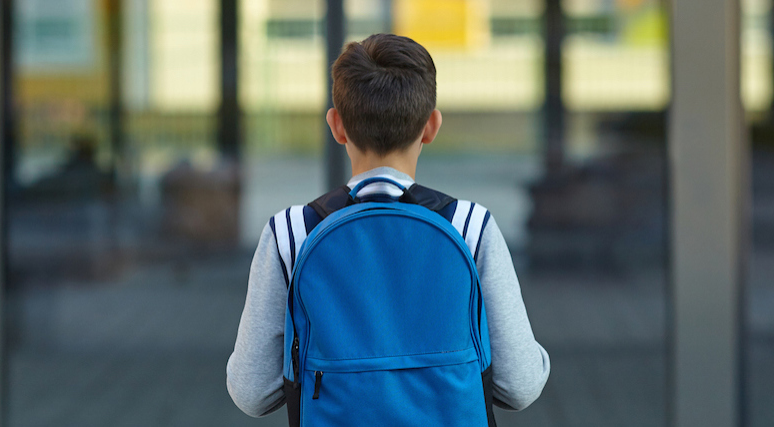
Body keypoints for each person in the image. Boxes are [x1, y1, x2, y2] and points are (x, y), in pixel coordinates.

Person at [227, 33, 550, 420]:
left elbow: (252, 393)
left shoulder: (292, 232)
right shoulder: (469, 227)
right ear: (431, 126)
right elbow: (520, 385)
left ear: (336, 125)